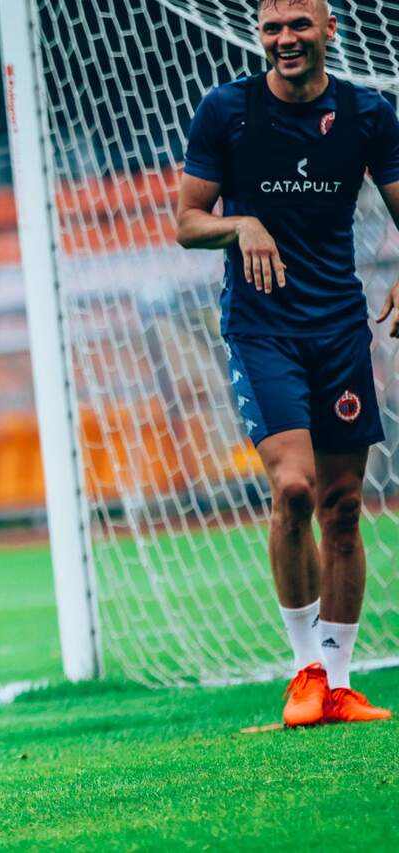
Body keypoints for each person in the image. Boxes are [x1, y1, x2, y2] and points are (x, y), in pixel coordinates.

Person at [176, 0, 399, 725]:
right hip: (262, 330)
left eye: (299, 24)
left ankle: (338, 683)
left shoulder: (368, 114)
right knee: (295, 488)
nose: (284, 39)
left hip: (339, 330)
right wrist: (241, 223)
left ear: (330, 29)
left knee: (343, 506)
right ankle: (304, 670)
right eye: (272, 27)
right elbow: (187, 222)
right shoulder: (227, 110)